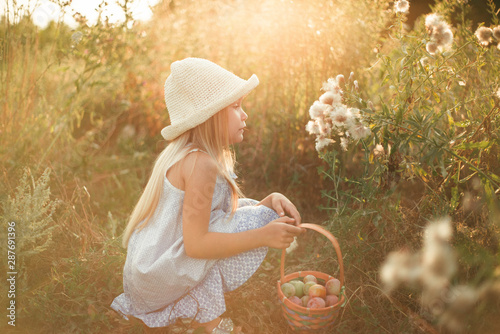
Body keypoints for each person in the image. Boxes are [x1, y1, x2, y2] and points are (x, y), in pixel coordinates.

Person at [110, 57, 304, 334]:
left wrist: (267, 201)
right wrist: (263, 235)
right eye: (236, 107)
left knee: (255, 214)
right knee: (256, 222)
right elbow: (197, 246)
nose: (244, 114)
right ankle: (207, 322)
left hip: (150, 275)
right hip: (157, 279)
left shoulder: (191, 155)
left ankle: (192, 313)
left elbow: (215, 219)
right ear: (210, 116)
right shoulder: (200, 164)